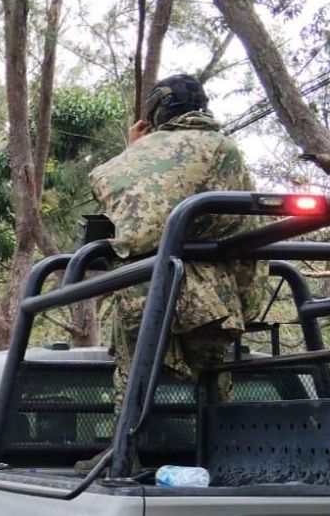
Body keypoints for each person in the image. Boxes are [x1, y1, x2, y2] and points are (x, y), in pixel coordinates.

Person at [76, 74, 267, 474]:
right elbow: (246, 237)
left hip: (140, 290)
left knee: (132, 374)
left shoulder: (120, 165)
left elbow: (123, 198)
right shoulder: (224, 149)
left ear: (156, 113)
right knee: (216, 375)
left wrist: (136, 149)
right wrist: (249, 310)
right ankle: (226, 457)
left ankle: (123, 453)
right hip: (210, 298)